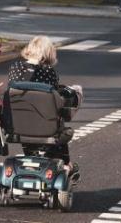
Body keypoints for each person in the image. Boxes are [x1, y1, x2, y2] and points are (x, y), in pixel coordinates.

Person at [6, 36, 82, 175]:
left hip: (18, 125)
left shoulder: (15, 67)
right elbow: (55, 97)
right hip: (45, 126)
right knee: (60, 127)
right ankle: (65, 164)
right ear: (48, 53)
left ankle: (31, 158)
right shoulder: (49, 72)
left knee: (28, 122)